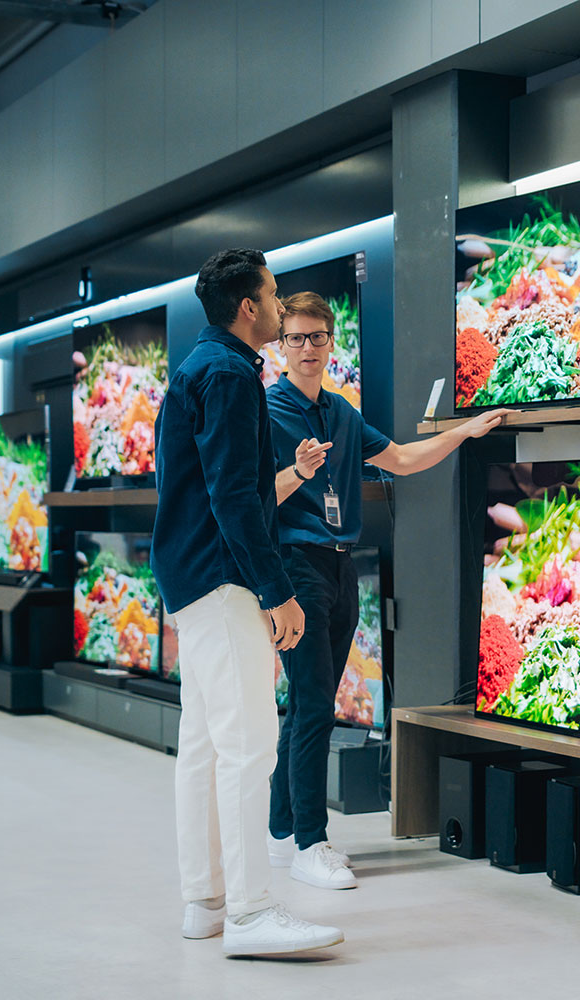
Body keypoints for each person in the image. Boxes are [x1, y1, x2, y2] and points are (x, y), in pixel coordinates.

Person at [264, 291, 514, 889]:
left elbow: (400, 458)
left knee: (305, 705)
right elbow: (253, 500)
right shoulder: (266, 412)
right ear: (279, 346)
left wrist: (466, 431)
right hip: (295, 565)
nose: (305, 348)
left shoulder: (343, 413)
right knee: (315, 704)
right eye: (294, 338)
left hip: (341, 565)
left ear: (330, 342)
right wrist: (298, 471)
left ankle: (279, 833)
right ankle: (309, 842)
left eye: (315, 337)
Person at [151, 248, 343, 958]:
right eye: (272, 295)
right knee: (249, 744)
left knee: (203, 745)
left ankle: (206, 901)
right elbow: (234, 497)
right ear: (248, 308)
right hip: (223, 577)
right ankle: (252, 913)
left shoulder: (199, 366)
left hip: (188, 576)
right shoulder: (230, 374)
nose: (280, 305)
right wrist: (277, 592)